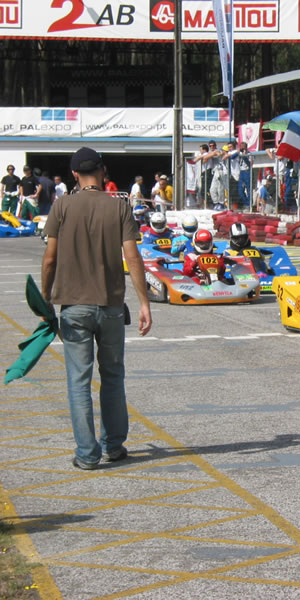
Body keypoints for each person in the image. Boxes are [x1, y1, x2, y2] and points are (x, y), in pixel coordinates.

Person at [41, 146, 152, 470]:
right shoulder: (119, 208)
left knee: (79, 381)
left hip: (73, 307)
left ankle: (87, 455)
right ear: (103, 171)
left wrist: (47, 298)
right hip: (111, 306)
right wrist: (144, 303)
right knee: (113, 377)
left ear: (74, 174)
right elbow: (133, 257)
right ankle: (113, 446)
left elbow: (50, 259)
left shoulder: (62, 206)